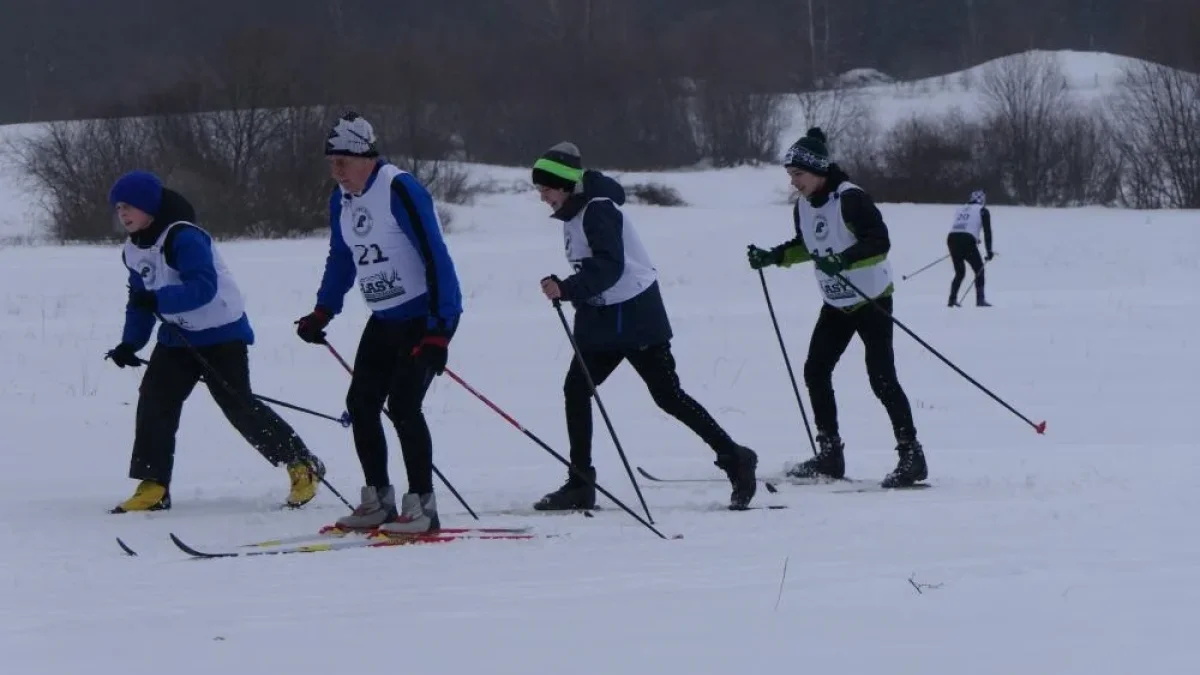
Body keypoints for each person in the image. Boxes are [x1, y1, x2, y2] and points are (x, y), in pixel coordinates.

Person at [532, 142, 759, 511]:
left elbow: (609, 266)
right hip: (602, 316)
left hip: (635, 315)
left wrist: (568, 287)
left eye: (546, 188)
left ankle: (736, 458)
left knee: (668, 396)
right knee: (576, 389)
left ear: (564, 184)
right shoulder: (574, 212)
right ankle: (580, 483)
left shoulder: (597, 210)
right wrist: (568, 286)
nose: (542, 196)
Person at [104, 170, 326, 513]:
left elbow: (204, 288)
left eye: (129, 206)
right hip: (177, 337)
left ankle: (301, 464)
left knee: (239, 405)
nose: (123, 213)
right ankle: (154, 484)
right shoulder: (132, 251)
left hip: (221, 332)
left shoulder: (184, 238)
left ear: (149, 207)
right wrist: (130, 344)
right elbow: (139, 302)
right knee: (154, 400)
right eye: (118, 207)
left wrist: (159, 300)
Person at [295, 112, 463, 534]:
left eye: (342, 162)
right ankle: (377, 501)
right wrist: (322, 311)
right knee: (362, 405)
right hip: (383, 317)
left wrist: (439, 330)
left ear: (365, 157)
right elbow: (341, 259)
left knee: (404, 406)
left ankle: (422, 507)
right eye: (330, 163)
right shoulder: (341, 200)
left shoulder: (398, 188)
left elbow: (435, 256)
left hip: (422, 316)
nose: (336, 172)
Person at [746, 128, 927, 488]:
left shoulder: (851, 199)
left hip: (872, 300)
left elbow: (879, 243)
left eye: (798, 174)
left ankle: (911, 455)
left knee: (881, 377)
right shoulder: (802, 207)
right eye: (790, 175)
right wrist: (775, 257)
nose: (793, 182)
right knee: (816, 371)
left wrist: (842, 261)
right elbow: (807, 246)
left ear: (818, 172)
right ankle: (830, 453)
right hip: (835, 303)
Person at [947, 189, 994, 307]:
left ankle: (952, 300)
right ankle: (980, 300)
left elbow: (965, 224)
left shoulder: (961, 208)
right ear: (983, 200)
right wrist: (989, 251)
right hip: (967, 240)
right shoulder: (983, 211)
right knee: (979, 270)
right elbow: (987, 232)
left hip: (952, 238)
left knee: (960, 272)